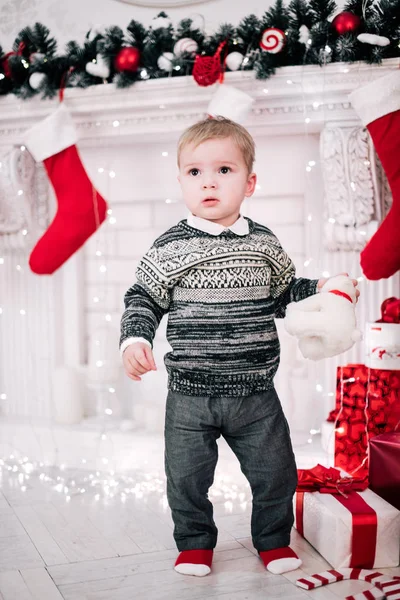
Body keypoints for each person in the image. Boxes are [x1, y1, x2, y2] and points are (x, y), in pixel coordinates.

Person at [120, 117, 359, 577]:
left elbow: (285, 291)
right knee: (186, 478)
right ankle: (193, 542)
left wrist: (324, 287)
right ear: (181, 181)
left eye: (224, 170)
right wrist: (135, 336)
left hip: (256, 394)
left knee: (275, 473)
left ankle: (272, 540)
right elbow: (143, 297)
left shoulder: (264, 243)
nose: (208, 181)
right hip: (190, 393)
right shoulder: (168, 247)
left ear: (249, 182)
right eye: (195, 172)